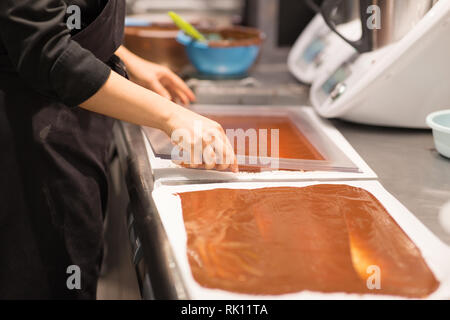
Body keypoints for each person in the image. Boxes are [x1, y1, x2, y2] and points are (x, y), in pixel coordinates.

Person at [0, 0, 237, 299]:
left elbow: (69, 20)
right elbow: (43, 47)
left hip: (66, 124)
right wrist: (170, 115)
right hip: (28, 138)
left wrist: (124, 58)